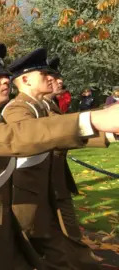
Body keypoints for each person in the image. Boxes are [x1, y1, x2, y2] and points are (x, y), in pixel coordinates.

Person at [0, 43, 119, 270]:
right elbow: (15, 136)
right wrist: (91, 120)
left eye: (5, 75)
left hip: (4, 232)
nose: (6, 80)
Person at [4, 49, 114, 269]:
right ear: (25, 80)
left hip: (53, 189)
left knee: (65, 247)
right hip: (32, 196)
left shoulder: (43, 106)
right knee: (29, 252)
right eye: (45, 74)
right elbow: (37, 134)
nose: (54, 79)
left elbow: (62, 135)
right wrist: (94, 120)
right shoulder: (17, 109)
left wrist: (110, 131)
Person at [44, 57, 105, 269]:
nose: (59, 81)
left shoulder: (48, 106)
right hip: (41, 190)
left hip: (57, 184)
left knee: (68, 239)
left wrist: (108, 132)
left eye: (58, 77)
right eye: (50, 76)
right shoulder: (22, 109)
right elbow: (48, 134)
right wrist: (94, 121)